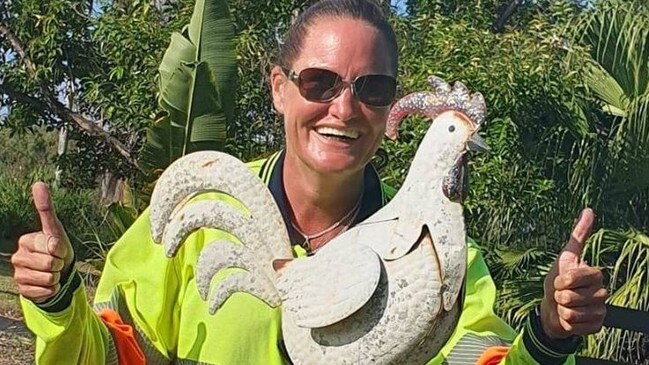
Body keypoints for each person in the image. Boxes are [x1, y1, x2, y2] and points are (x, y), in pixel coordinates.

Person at [12, 0, 607, 364]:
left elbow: (481, 362)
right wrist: (59, 299)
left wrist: (550, 336)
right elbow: (112, 355)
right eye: (320, 82)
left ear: (389, 105)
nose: (343, 109)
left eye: (371, 89)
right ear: (279, 88)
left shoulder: (445, 258)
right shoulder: (203, 208)